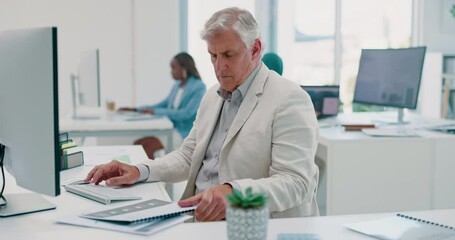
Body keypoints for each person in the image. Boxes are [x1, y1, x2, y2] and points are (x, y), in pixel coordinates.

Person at [85, 7, 319, 221]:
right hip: (199, 219)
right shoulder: (212, 96)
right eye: (213, 56)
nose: (219, 67)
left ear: (255, 49)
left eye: (228, 55)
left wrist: (233, 192)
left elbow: (296, 183)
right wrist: (140, 171)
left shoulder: (289, 98)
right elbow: (189, 156)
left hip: (247, 225)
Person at [119, 52, 206, 159]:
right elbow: (163, 104)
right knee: (139, 143)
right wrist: (137, 109)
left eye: (173, 68)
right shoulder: (177, 85)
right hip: (170, 128)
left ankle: (151, 174)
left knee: (148, 147)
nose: (171, 72)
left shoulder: (199, 87)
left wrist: (155, 112)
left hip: (183, 133)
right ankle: (145, 174)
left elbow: (186, 113)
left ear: (184, 68)